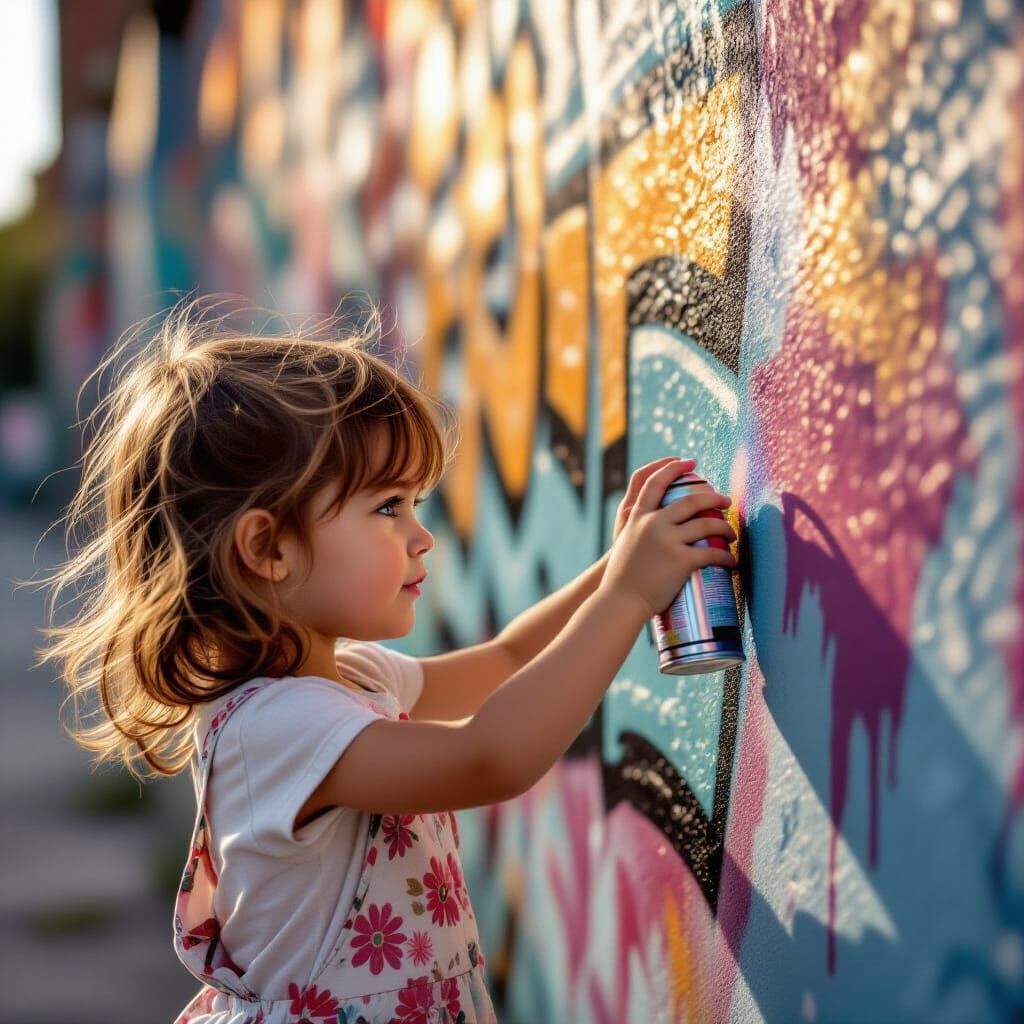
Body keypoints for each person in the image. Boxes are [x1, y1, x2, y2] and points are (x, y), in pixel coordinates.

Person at [32, 298, 737, 1023]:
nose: (420, 536)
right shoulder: (275, 727)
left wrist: (617, 569)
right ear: (266, 547)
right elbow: (490, 758)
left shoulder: (351, 678)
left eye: (416, 502)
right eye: (388, 507)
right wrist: (626, 597)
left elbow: (506, 659)